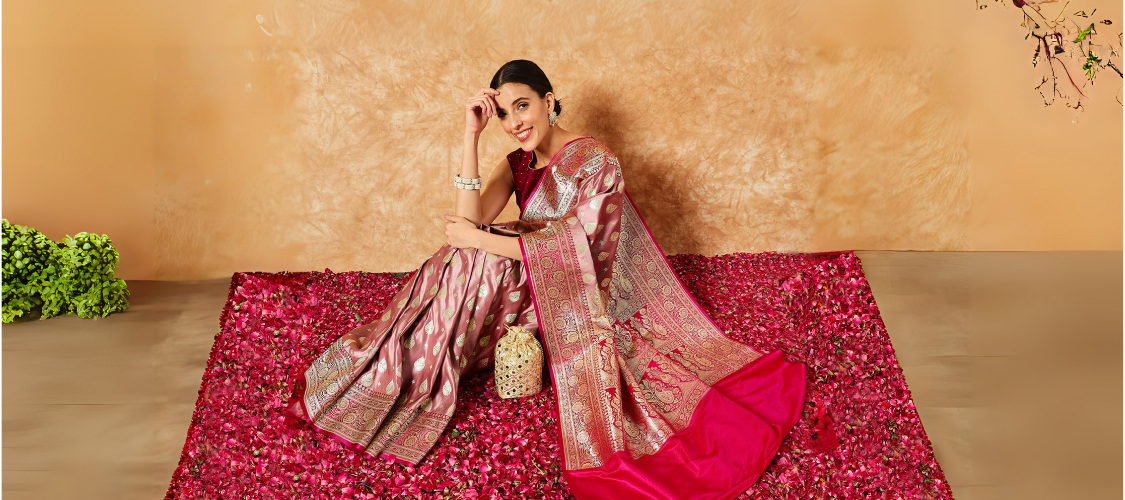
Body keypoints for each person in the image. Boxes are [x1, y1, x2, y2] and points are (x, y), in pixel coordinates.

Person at [284, 59, 808, 500]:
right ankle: (408, 365)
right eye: (504, 113)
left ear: (548, 101)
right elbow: (467, 220)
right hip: (528, 277)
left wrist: (481, 240)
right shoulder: (517, 162)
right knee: (461, 258)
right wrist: (470, 136)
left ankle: (416, 369)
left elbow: (586, 253)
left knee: (477, 256)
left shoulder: (595, 162)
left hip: (574, 294)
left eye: (523, 106)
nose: (515, 122)